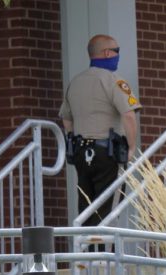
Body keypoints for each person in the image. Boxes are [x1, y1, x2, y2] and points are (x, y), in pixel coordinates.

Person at [60, 34, 141, 228]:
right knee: (109, 211)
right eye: (117, 51)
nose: (118, 55)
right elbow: (129, 115)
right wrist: (131, 148)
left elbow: (66, 119)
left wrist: (72, 140)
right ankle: (104, 256)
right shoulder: (115, 81)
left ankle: (87, 255)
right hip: (108, 153)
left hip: (81, 152)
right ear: (106, 53)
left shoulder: (75, 82)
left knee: (87, 206)